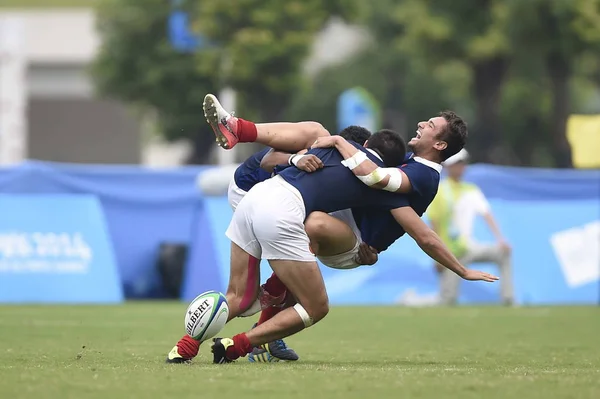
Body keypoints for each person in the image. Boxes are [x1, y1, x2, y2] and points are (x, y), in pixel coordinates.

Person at [199, 103, 497, 363]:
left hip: (354, 242)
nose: (421, 124)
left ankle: (266, 314)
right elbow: (268, 161)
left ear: (441, 145)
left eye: (430, 125)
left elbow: (387, 192)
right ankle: (238, 128)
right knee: (315, 135)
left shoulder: (423, 176)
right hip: (266, 195)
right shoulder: (405, 156)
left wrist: (461, 270)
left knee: (313, 224)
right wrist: (299, 157)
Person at [166, 125, 375, 364]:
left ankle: (185, 348)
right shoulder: (319, 140)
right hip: (255, 195)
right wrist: (296, 158)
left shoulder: (335, 165)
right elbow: (268, 160)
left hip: (262, 202)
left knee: (243, 295)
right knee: (300, 282)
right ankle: (263, 333)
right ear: (361, 149)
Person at [426, 149, 514, 305]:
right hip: (451, 253)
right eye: (456, 164)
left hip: (469, 247)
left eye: (462, 163)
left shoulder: (471, 190)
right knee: (447, 300)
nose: (460, 167)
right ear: (448, 166)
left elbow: (486, 215)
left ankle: (508, 299)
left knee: (503, 253)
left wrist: (500, 239)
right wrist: (437, 255)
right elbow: (434, 223)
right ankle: (409, 300)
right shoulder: (439, 190)